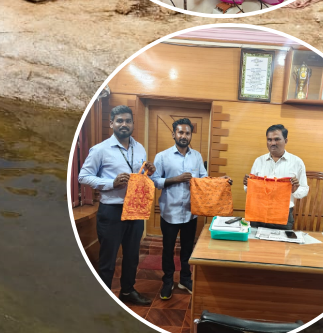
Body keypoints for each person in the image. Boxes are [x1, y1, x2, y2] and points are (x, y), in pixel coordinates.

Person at [78, 105, 157, 306]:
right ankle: (102, 298)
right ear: (111, 123)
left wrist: (148, 171)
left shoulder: (139, 148)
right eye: (120, 120)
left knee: (131, 257)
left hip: (135, 209)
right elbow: (83, 177)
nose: (124, 124)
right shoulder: (100, 150)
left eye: (128, 121)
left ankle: (128, 291)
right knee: (108, 258)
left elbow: (139, 175)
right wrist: (111, 183)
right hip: (112, 211)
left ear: (132, 124)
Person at [149, 118, 232, 300]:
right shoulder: (162, 156)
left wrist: (221, 181)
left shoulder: (196, 156)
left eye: (187, 133)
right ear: (174, 134)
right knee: (168, 249)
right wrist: (176, 179)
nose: (184, 136)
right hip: (169, 212)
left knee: (188, 249)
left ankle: (185, 279)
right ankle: (168, 281)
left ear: (190, 135)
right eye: (180, 132)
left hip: (190, 212)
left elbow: (204, 180)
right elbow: (154, 181)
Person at [243, 124, 309, 229]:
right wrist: (248, 185)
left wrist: (294, 190)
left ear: (286, 141)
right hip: (258, 214)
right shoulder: (259, 161)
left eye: (277, 139)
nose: (272, 143)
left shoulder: (297, 162)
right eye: (269, 140)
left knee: (281, 245)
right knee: (255, 245)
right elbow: (248, 191)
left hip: (283, 216)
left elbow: (304, 189)